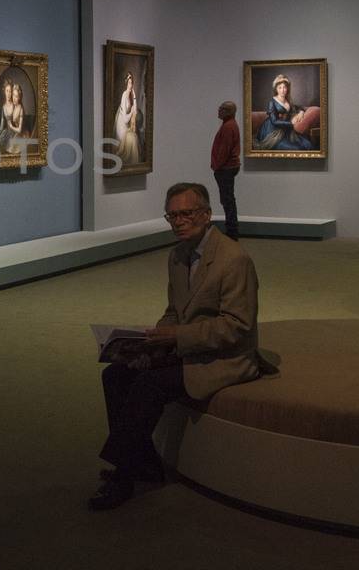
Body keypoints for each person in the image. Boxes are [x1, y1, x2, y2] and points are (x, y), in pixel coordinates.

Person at [90, 181, 260, 510]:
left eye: (187, 214)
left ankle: (123, 474)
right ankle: (146, 465)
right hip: (189, 348)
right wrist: (150, 344)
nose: (179, 221)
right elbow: (174, 312)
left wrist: (176, 338)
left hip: (224, 358)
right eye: (172, 216)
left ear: (207, 214)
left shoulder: (233, 259)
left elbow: (238, 327)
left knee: (148, 385)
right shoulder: (178, 256)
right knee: (115, 375)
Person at [255, 74, 314, 151]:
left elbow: (298, 108)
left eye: (284, 87)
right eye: (280, 88)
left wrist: (301, 112)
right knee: (297, 148)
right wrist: (291, 123)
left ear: (287, 88)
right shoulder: (272, 102)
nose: (282, 90)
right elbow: (274, 121)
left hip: (287, 130)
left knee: (308, 144)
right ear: (276, 89)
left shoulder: (288, 101)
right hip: (273, 132)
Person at [211, 101, 241, 240]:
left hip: (226, 168)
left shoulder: (228, 127)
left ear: (229, 112)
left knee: (227, 200)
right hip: (227, 167)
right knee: (228, 199)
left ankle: (232, 231)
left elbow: (224, 150)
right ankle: (232, 229)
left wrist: (217, 166)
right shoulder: (229, 125)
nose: (219, 110)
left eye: (222, 108)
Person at [114, 72, 142, 166]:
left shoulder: (130, 95)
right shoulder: (124, 95)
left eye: (132, 83)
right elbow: (126, 119)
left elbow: (136, 111)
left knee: (135, 136)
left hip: (126, 124)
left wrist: (134, 96)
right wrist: (131, 113)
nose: (131, 85)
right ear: (126, 84)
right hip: (121, 125)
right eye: (129, 83)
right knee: (131, 140)